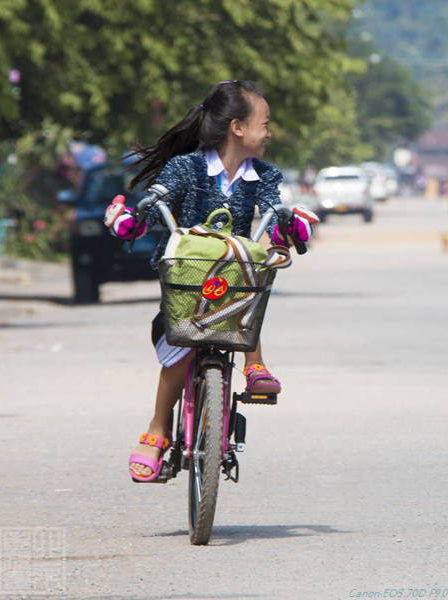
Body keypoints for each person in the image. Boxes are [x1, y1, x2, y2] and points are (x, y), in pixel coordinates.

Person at [104, 80, 315, 482]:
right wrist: (134, 219)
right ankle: (157, 430)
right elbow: (159, 197)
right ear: (238, 127)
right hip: (187, 271)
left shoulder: (265, 175)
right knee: (181, 347)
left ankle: (255, 365)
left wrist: (291, 226)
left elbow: (275, 208)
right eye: (264, 123)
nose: (269, 132)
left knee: (253, 279)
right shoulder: (186, 166)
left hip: (232, 273)